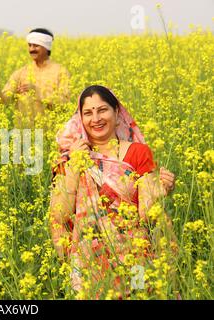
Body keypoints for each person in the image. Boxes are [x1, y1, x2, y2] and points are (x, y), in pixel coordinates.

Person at [50, 85, 177, 299]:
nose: (96, 118)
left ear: (117, 113)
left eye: (102, 110)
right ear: (80, 118)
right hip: (90, 259)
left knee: (141, 295)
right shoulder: (68, 158)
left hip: (136, 255)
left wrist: (159, 193)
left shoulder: (138, 153)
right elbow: (59, 215)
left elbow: (146, 216)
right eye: (88, 113)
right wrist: (74, 164)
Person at [0, 28, 70, 128]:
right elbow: (4, 101)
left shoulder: (60, 72)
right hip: (24, 134)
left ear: (46, 47)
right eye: (30, 45)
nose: (31, 49)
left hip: (50, 134)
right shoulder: (20, 73)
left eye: (36, 45)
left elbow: (64, 103)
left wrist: (37, 92)